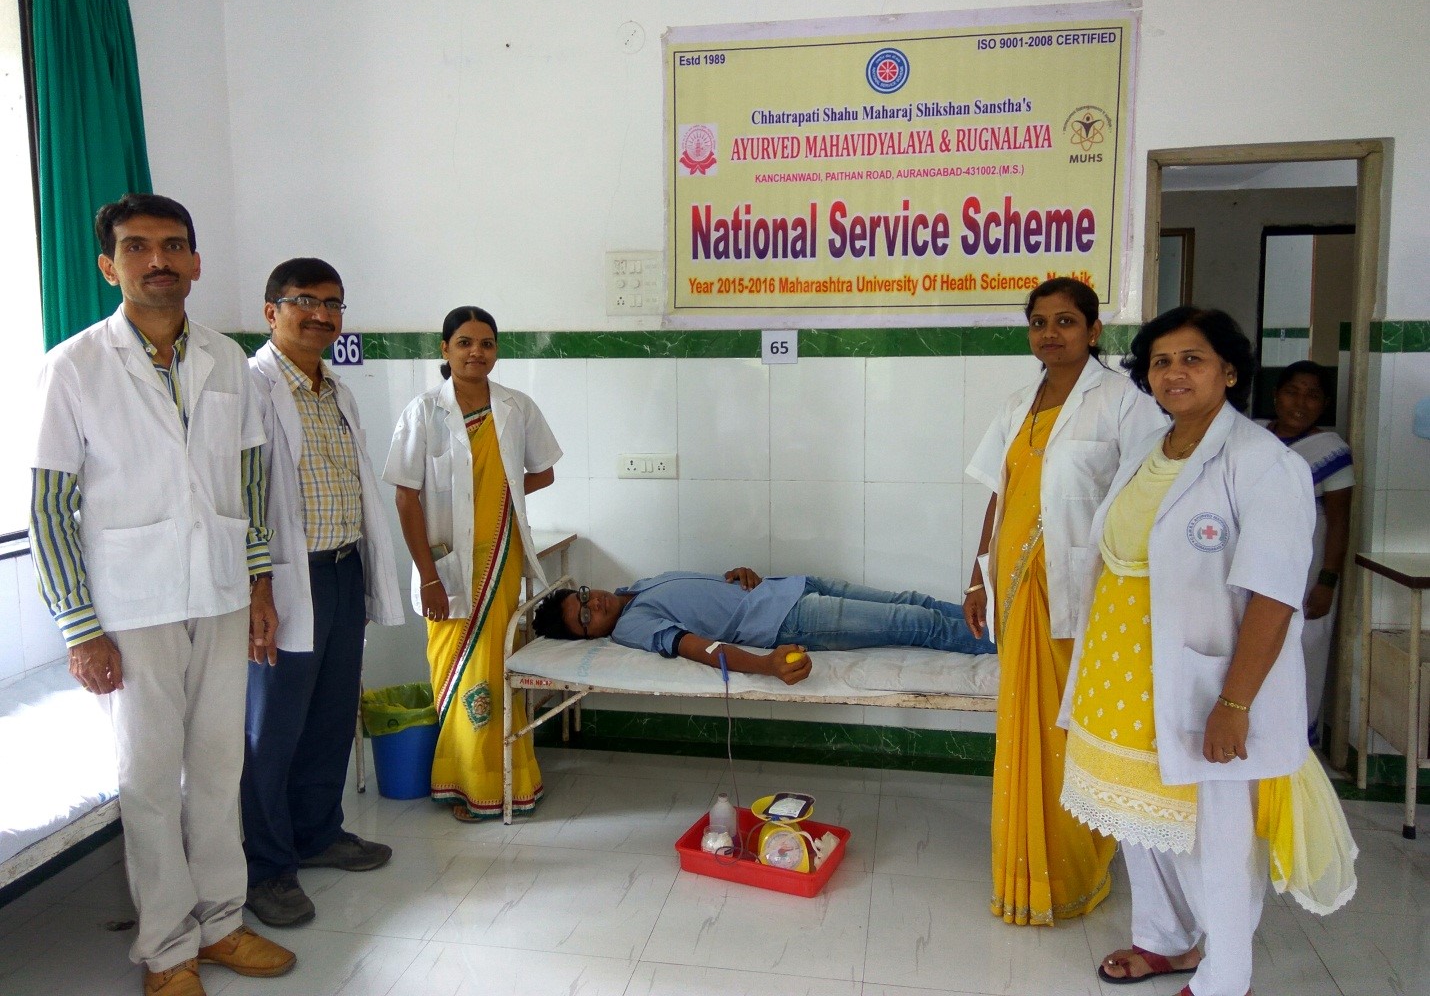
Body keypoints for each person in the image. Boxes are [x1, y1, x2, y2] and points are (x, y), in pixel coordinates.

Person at [29, 194, 295, 996]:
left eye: (174, 246)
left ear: (196, 262)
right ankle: (168, 949)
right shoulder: (73, 366)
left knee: (218, 768)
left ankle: (221, 923)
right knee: (149, 781)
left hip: (219, 592)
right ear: (109, 266)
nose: (159, 261)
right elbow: (49, 507)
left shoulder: (225, 358)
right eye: (138, 247)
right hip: (129, 603)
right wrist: (80, 628)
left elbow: (247, 482)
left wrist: (259, 586)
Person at [1059, 307, 1326, 996]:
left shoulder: (1263, 463)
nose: (1173, 372)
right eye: (1160, 361)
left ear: (1229, 371)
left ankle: (1224, 977)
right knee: (1139, 819)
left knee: (1215, 836)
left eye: (1192, 358)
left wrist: (1234, 703)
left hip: (1205, 685)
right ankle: (1164, 941)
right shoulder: (1154, 447)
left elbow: (1274, 596)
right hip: (1123, 675)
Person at [964, 276, 1166, 926]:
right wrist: (977, 577)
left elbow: (1148, 494)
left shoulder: (1124, 401)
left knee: (1067, 729)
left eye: (1065, 321)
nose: (1050, 334)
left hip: (1079, 594)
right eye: (1039, 323)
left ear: (1093, 330)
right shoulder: (1018, 404)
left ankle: (1073, 871)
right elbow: (1000, 494)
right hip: (1016, 591)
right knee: (1022, 727)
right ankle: (1021, 871)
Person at [240, 258, 405, 927]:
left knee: (332, 714)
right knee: (273, 726)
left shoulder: (336, 391)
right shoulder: (249, 388)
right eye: (304, 301)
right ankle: (267, 867)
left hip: (341, 569)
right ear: (270, 311)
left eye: (333, 304)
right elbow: (242, 496)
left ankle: (318, 833)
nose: (321, 315)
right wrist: (257, 585)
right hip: (283, 576)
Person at [383, 306, 560, 821]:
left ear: (496, 351)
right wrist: (429, 577)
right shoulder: (423, 412)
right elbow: (406, 498)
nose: (475, 352)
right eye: (464, 343)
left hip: (501, 555)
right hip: (445, 565)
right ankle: (464, 783)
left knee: (497, 665)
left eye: (486, 343)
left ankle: (507, 781)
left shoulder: (516, 407)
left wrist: (499, 502)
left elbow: (543, 472)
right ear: (445, 349)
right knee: (455, 669)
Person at [530, 566, 991, 679]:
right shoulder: (632, 627)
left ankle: (994, 621)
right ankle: (1005, 643)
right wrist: (764, 665)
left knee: (914, 601)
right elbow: (697, 647)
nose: (594, 605)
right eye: (585, 618)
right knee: (915, 623)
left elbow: (703, 596)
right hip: (791, 619)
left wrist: (736, 574)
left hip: (790, 585)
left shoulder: (638, 586)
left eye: (584, 597)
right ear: (588, 635)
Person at [1260, 360, 1353, 740]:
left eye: (1312, 395)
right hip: (1254, 565)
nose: (1300, 403)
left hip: (1307, 571)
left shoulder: (1331, 451)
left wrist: (1327, 582)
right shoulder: (1253, 439)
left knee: (1302, 653)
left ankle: (1297, 743)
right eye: (1292, 392)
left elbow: (1340, 521)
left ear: (1324, 403)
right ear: (1276, 396)